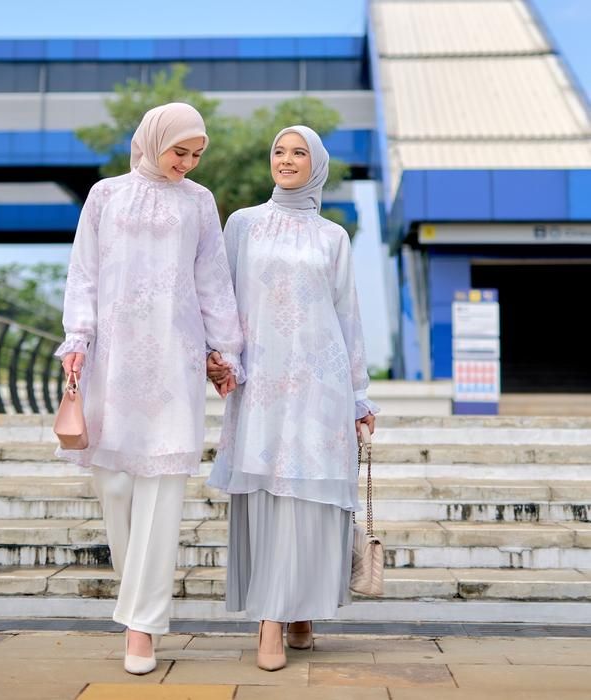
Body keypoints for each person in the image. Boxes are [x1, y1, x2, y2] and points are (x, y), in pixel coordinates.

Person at [56, 102, 244, 675]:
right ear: (152, 140)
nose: (187, 162)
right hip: (111, 358)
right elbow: (84, 271)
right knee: (113, 485)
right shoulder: (105, 196)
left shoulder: (199, 202)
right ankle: (136, 597)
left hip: (173, 357)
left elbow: (212, 279)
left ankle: (142, 626)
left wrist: (224, 349)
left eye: (196, 154)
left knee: (162, 490)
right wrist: (77, 337)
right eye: (179, 151)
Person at [207, 125, 378, 671]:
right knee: (269, 496)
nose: (285, 159)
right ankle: (270, 621)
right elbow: (222, 299)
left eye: (298, 152)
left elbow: (348, 316)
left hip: (321, 387)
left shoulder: (333, 237)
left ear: (316, 165)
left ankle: (300, 611)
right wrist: (219, 357)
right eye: (278, 151)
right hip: (261, 385)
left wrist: (359, 396)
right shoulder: (243, 224)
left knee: (309, 499)